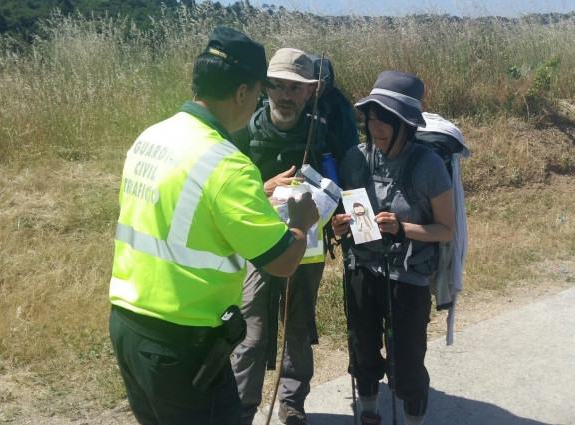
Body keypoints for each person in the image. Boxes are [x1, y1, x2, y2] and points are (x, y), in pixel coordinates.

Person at [108, 27, 319, 425]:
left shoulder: (151, 137)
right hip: (183, 343)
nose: (259, 102)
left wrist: (256, 192)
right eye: (260, 93)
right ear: (242, 92)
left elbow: (184, 213)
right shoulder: (226, 164)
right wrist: (302, 224)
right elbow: (282, 263)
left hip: (127, 325)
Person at [230, 47, 357, 425]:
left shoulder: (324, 134)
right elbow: (224, 192)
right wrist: (263, 188)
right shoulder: (244, 134)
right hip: (256, 247)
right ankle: (243, 408)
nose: (285, 95)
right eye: (277, 86)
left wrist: (340, 221)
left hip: (309, 250)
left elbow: (342, 189)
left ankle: (292, 403)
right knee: (251, 331)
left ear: (311, 91)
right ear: (265, 87)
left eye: (295, 88)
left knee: (298, 327)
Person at [331, 71, 455, 425]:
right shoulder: (356, 159)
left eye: (386, 118)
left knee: (407, 362)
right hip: (363, 269)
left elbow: (445, 229)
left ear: (406, 123)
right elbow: (351, 213)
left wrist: (403, 228)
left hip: (409, 278)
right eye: (371, 117)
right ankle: (369, 415)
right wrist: (340, 226)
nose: (376, 126)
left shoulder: (427, 166)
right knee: (363, 350)